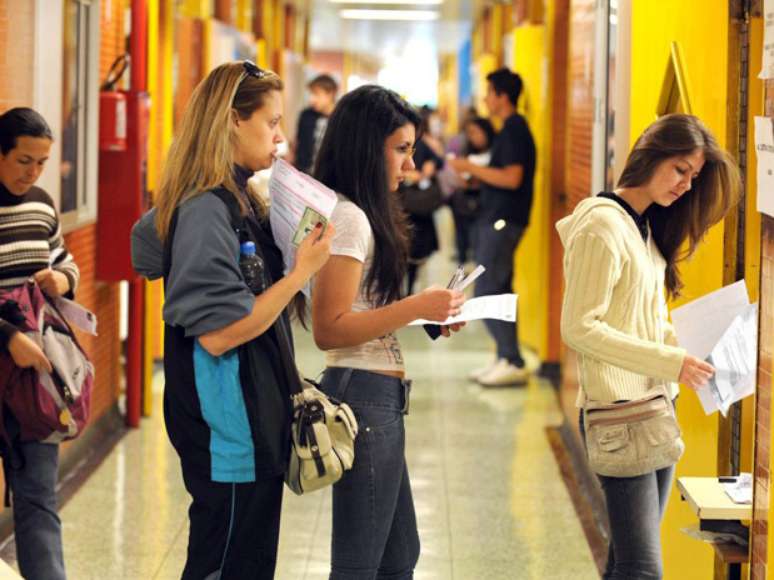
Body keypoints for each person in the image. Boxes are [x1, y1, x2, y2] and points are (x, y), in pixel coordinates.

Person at [131, 61, 332, 579]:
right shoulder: (204, 210)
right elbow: (220, 333)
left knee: (248, 556)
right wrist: (299, 274)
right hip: (229, 423)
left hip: (252, 411)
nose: (281, 139)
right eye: (271, 123)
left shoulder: (238, 198)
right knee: (226, 560)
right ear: (232, 121)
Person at [557, 113, 740, 579]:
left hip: (655, 404)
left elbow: (642, 323)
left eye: (693, 177)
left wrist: (697, 352)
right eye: (680, 169)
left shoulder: (643, 227)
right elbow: (579, 327)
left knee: (626, 561)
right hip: (619, 410)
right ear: (650, 156)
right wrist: (672, 361)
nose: (685, 185)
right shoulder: (602, 225)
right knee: (642, 569)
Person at [311, 85, 465, 580]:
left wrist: (426, 315)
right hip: (363, 396)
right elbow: (330, 329)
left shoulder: (360, 213)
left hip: (379, 392)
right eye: (400, 150)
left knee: (399, 556)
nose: (410, 166)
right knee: (359, 564)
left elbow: (364, 307)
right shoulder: (350, 219)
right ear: (365, 147)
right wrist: (416, 304)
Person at [0, 107, 80, 580]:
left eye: (42, 163)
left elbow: (65, 258)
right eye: (23, 161)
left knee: (38, 496)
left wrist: (62, 280)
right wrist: (7, 337)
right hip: (13, 351)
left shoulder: (42, 204)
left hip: (35, 376)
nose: (32, 173)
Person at [448, 67, 536, 386]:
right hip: (495, 218)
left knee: (488, 289)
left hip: (502, 220)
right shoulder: (508, 129)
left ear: (501, 96)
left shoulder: (514, 129)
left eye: (489, 93)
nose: (485, 99)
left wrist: (470, 166)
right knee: (498, 287)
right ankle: (504, 355)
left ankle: (512, 358)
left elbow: (512, 178)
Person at [402, 106, 445, 295]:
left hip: (416, 205)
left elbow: (439, 161)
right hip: (400, 202)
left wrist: (431, 164)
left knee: (415, 248)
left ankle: (408, 290)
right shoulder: (396, 140)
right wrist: (410, 175)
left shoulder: (422, 143)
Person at [449, 116, 496, 267]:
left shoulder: (495, 153)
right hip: (464, 202)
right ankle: (462, 263)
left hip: (485, 208)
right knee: (463, 237)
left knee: (480, 246)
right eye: (470, 133)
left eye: (476, 132)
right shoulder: (467, 151)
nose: (472, 137)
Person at [294, 73, 338, 174]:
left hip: (329, 179)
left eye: (316, 94)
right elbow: (298, 144)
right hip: (304, 174)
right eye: (311, 94)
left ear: (330, 94)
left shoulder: (342, 120)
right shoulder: (306, 115)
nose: (311, 99)